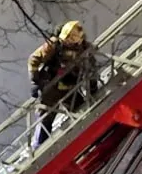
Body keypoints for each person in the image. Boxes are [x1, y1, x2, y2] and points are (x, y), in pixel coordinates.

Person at [28, 20, 99, 148]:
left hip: (70, 89)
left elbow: (92, 70)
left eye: (70, 39)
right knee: (45, 119)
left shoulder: (85, 50)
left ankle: (91, 141)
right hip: (51, 87)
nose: (66, 41)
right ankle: (38, 148)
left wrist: (93, 89)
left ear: (77, 38)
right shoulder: (54, 45)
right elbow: (34, 59)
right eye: (65, 38)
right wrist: (35, 79)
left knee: (83, 112)